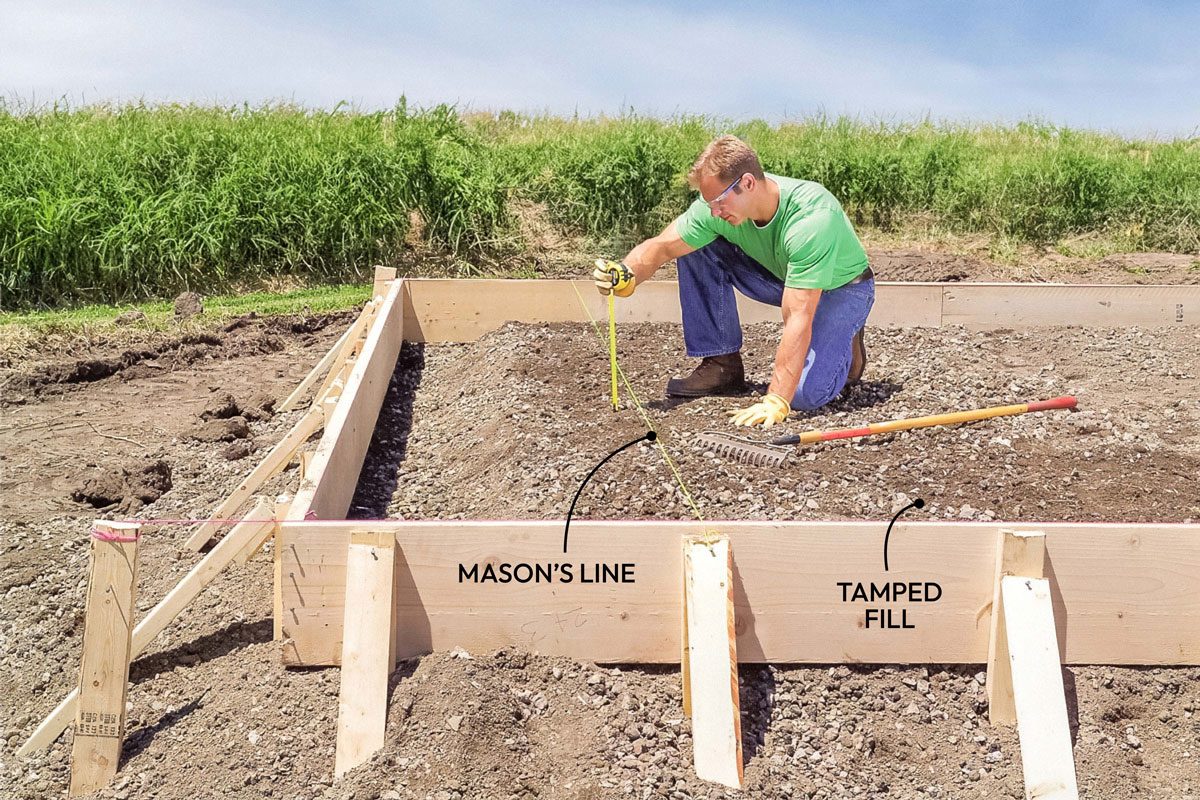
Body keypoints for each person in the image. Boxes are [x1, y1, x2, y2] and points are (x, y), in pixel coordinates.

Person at [593, 135, 874, 430]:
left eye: (718, 201)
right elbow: (662, 246)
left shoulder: (812, 218)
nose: (714, 211)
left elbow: (798, 315)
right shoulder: (716, 209)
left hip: (843, 289)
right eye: (708, 202)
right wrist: (626, 273)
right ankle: (721, 365)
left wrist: (777, 398)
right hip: (784, 278)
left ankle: (847, 341)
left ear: (748, 183)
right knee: (695, 246)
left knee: (804, 395)